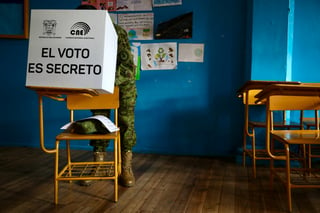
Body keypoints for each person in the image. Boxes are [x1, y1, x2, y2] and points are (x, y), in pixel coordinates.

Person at [76, 4, 137, 187]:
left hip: (123, 86)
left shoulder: (116, 32)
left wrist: (103, 81)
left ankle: (125, 168)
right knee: (99, 121)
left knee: (125, 123)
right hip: (97, 85)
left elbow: (127, 69)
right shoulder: (78, 33)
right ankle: (98, 165)